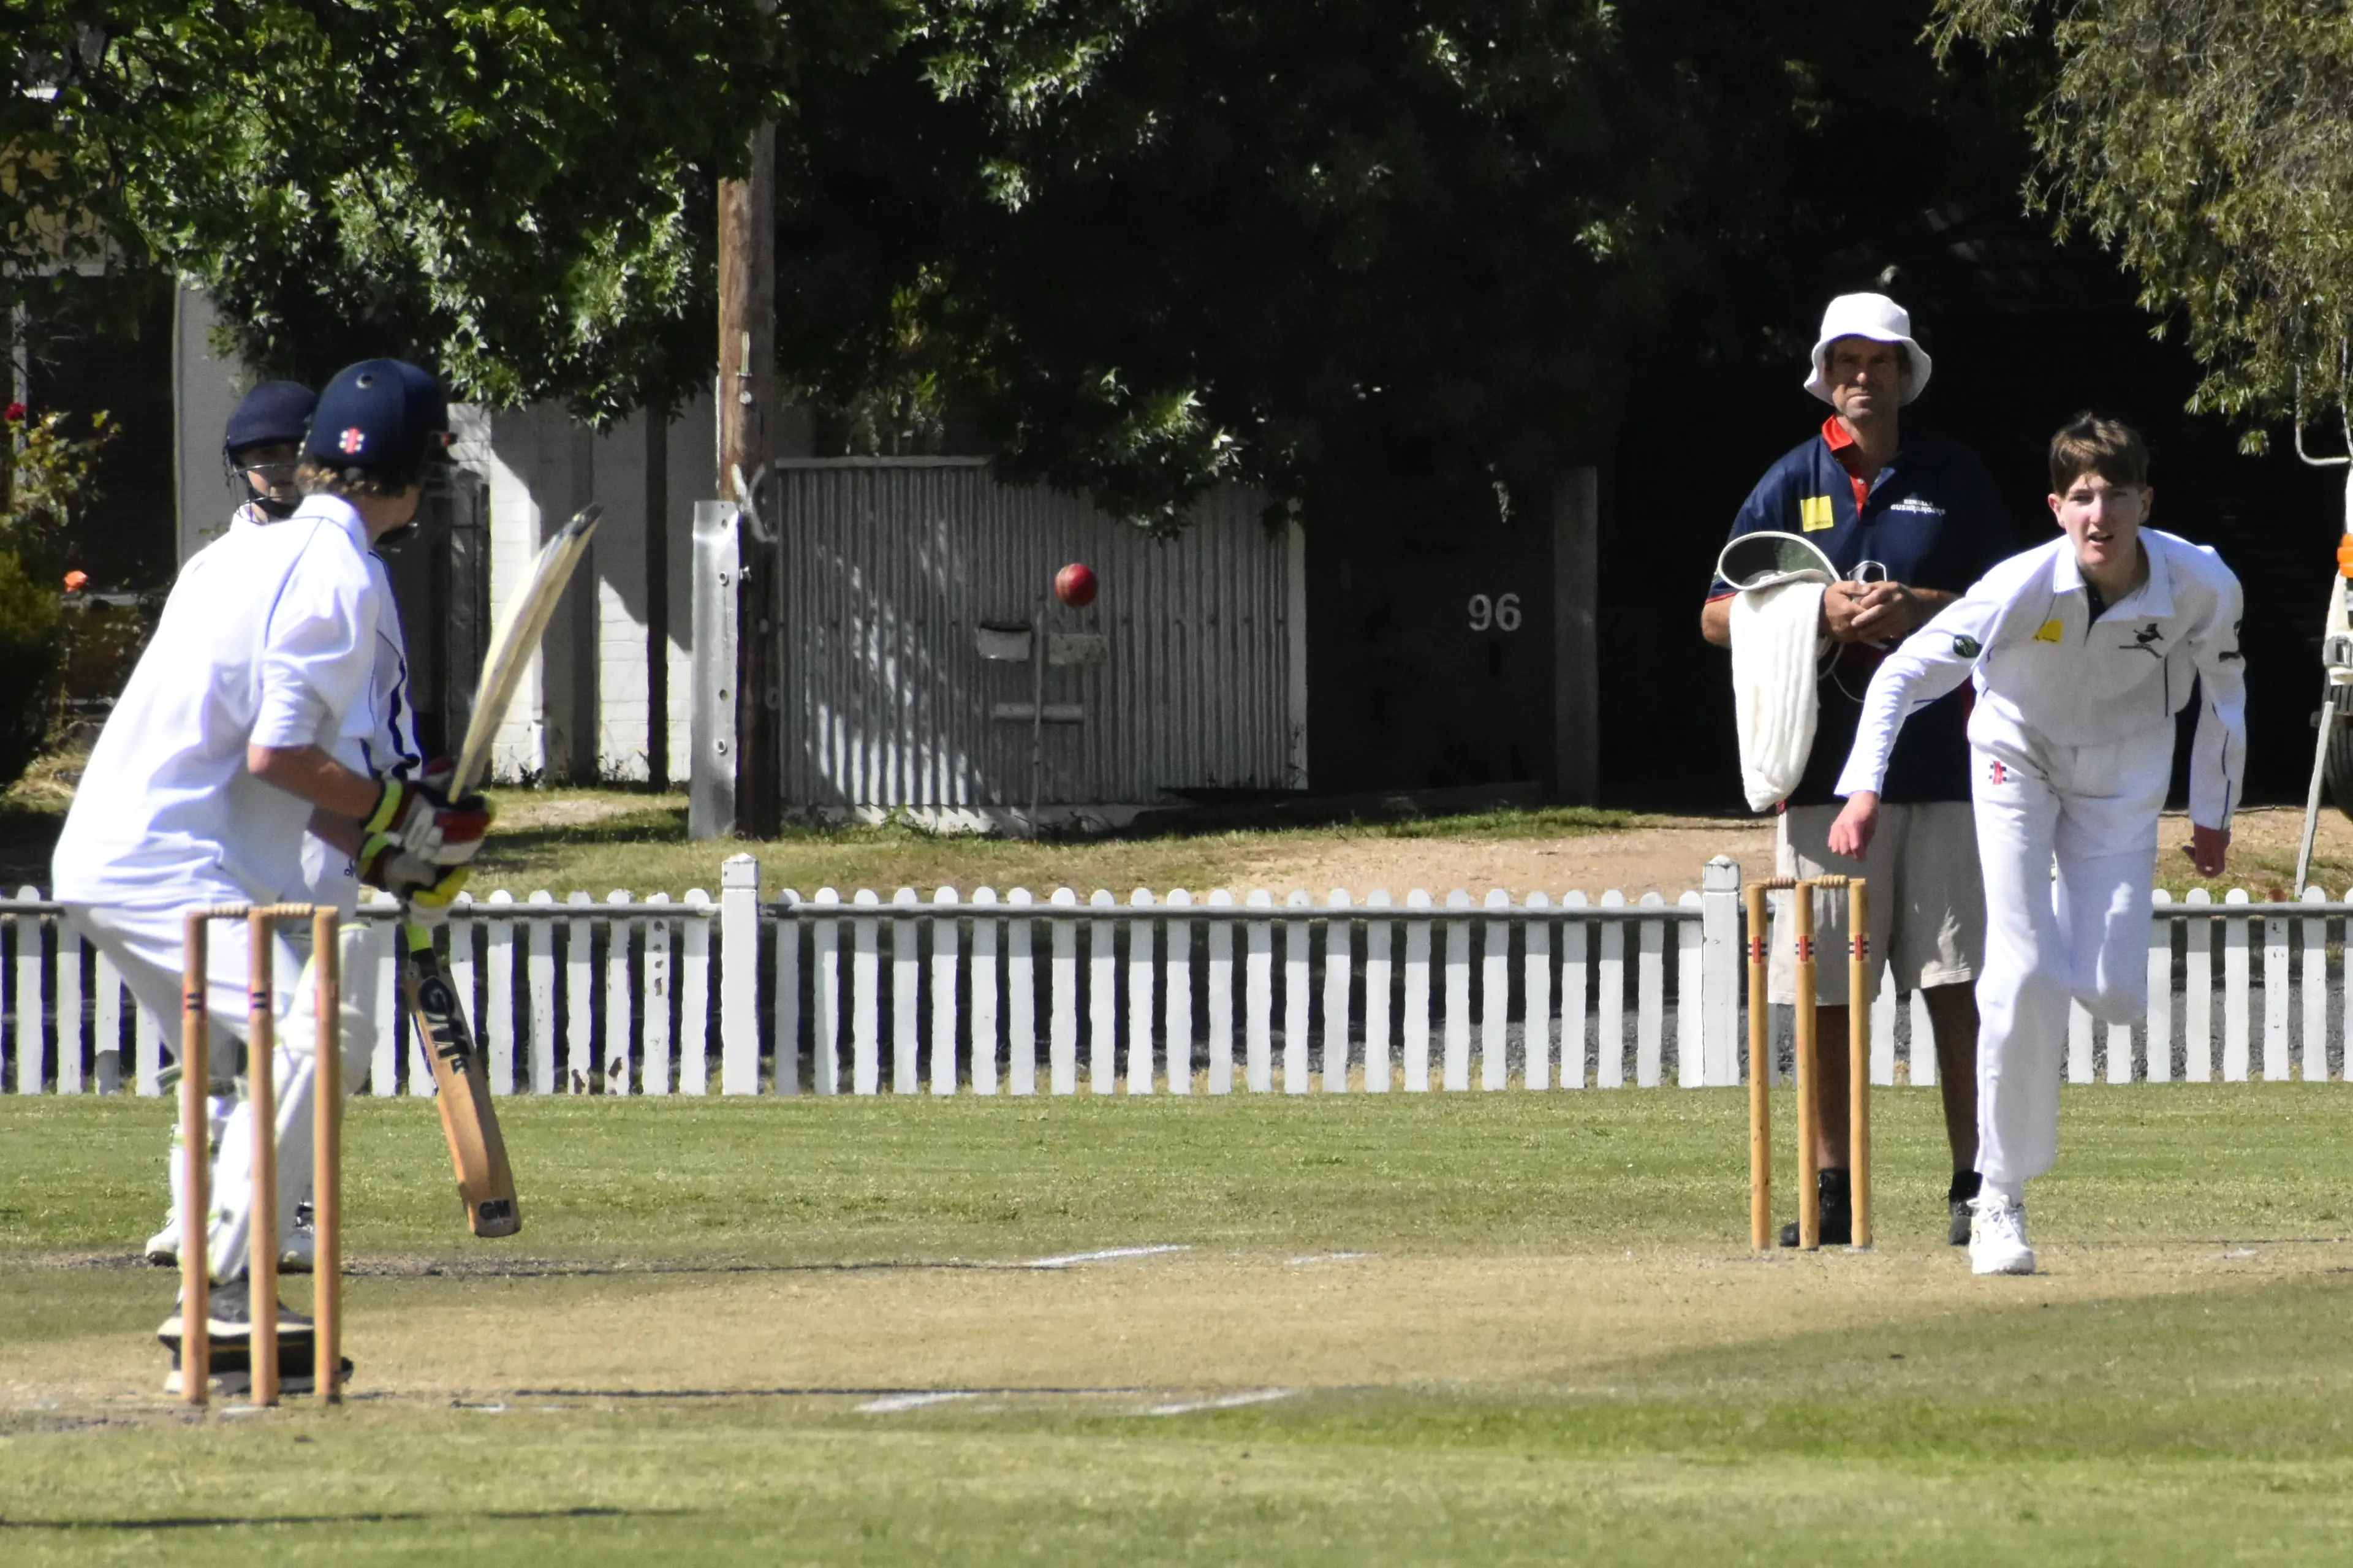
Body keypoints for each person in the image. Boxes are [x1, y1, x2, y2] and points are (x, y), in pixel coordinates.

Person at [53, 358, 485, 1393]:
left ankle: (228, 1311)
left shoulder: (228, 563)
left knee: (239, 1068)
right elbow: (280, 754)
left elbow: (283, 769)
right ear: (411, 473)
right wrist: (401, 820)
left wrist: (390, 846)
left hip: (117, 850)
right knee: (319, 1029)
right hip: (169, 861)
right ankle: (227, 1291)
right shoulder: (342, 578)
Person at [1831, 414, 2244, 1276]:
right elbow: (1907, 672)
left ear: (2145, 501)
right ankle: (1999, 1200)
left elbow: (2226, 693)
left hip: (2126, 773)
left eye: (2117, 496)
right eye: (2083, 497)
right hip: (2014, 752)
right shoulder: (2019, 586)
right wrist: (1863, 786)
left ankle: (2057, 931)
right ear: (2057, 507)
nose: (2101, 516)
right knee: (2019, 974)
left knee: (2114, 993)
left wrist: (2214, 811)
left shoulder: (2203, 582)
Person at [1703, 292, 2015, 1246]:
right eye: (1847, 359)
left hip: (1948, 773)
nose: (1862, 375)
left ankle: (1976, 1184)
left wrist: (1914, 606)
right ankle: (1830, 1195)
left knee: (1956, 988)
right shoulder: (1789, 479)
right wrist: (1818, 617)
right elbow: (1716, 613)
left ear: (1904, 371)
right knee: (1829, 998)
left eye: (1878, 360)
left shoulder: (1954, 475)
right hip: (1822, 779)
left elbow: (2012, 604)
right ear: (1825, 373)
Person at [142, 377, 430, 1274]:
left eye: (284, 457)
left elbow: (386, 708)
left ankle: (285, 1208)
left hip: (320, 821)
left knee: (303, 1028)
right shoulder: (215, 570)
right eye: (257, 460)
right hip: (231, 821)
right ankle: (202, 1211)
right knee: (224, 1027)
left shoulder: (353, 574)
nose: (273, 475)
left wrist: (399, 809)